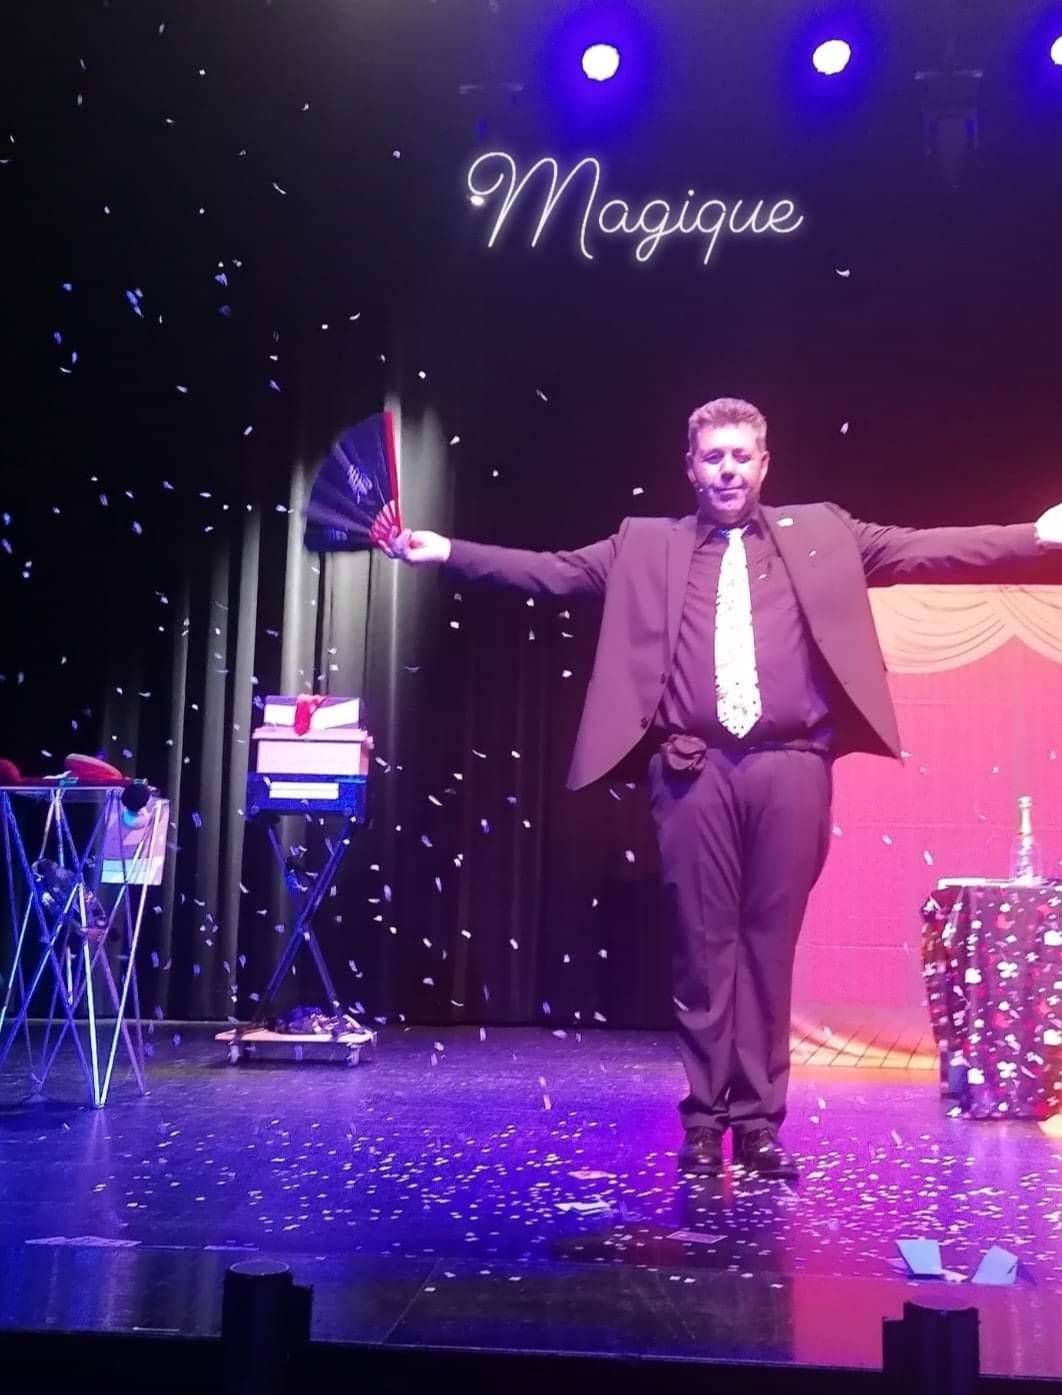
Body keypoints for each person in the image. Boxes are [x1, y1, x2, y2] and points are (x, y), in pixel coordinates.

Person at [382, 397, 1062, 1180]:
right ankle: (705, 1120)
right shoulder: (647, 544)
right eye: (714, 457)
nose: (729, 469)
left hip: (790, 766)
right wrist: (446, 551)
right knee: (703, 953)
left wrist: (1034, 536)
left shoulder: (824, 532)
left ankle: (761, 1124)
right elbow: (555, 571)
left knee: (770, 949)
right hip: (692, 770)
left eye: (742, 455)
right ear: (691, 467)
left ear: (765, 464)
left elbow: (923, 550)